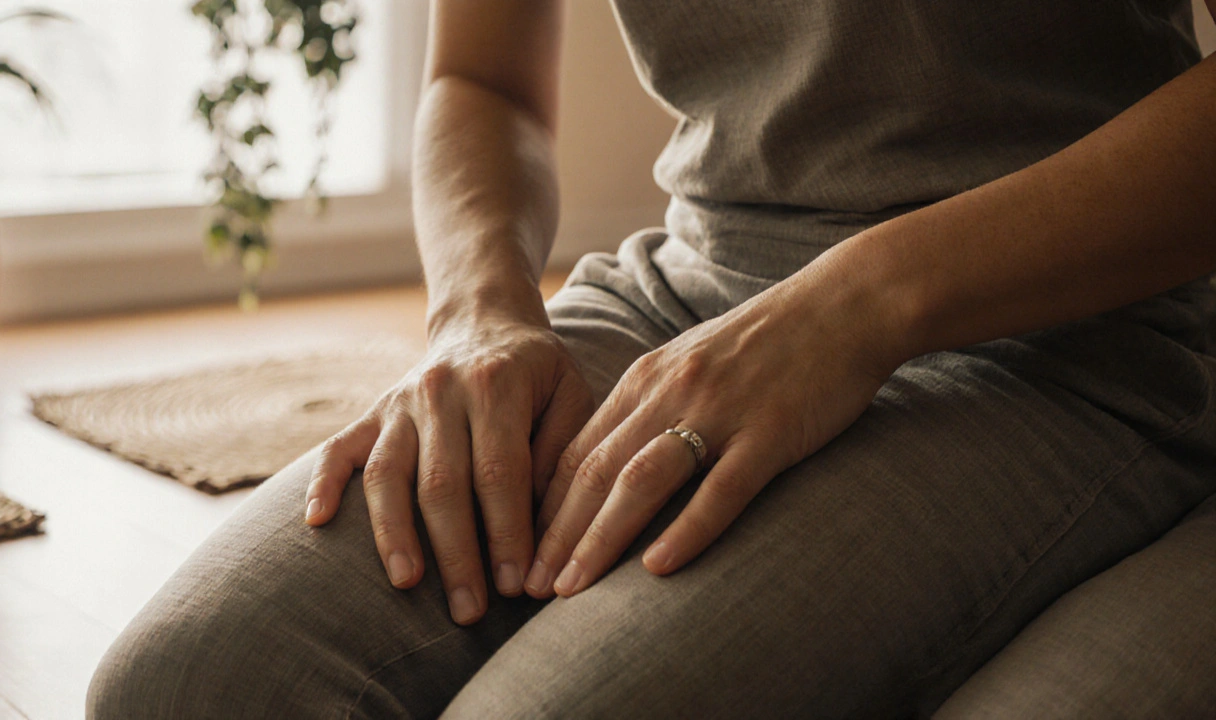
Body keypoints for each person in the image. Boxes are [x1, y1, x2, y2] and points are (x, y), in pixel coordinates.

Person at [88, 0, 1216, 717]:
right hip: (691, 282)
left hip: (1046, 319)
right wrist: (479, 311)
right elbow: (479, 78)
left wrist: (854, 305)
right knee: (182, 689)